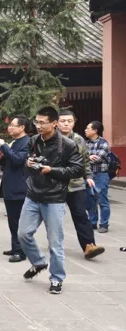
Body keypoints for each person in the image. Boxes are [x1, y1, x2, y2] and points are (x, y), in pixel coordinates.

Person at [19, 106, 84, 294]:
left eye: (42, 123)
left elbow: (77, 169)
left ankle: (57, 278)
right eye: (36, 122)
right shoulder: (34, 140)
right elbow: (28, 161)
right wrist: (29, 163)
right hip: (33, 194)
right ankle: (39, 262)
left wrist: (52, 170)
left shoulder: (68, 145)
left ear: (54, 123)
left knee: (55, 243)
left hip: (54, 198)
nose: (38, 126)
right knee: (23, 234)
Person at [57, 111, 105, 259]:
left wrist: (88, 176)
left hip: (76, 184)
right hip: (55, 184)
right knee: (53, 217)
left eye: (69, 121)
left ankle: (89, 246)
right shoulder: (49, 139)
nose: (66, 123)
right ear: (56, 123)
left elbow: (85, 160)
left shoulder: (79, 140)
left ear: (74, 122)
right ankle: (54, 244)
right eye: (63, 121)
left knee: (80, 215)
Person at [0, 115, 30, 262]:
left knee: (18, 221)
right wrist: (1, 156)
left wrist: (4, 146)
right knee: (12, 221)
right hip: (10, 186)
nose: (9, 128)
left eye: (13, 125)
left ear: (22, 127)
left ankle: (20, 251)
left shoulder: (27, 142)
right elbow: (9, 161)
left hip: (19, 187)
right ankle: (15, 246)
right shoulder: (15, 142)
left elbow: (17, 160)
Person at [85, 121, 112, 233]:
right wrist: (88, 157)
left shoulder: (103, 143)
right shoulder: (85, 143)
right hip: (89, 175)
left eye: (88, 128)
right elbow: (79, 157)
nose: (85, 130)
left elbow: (98, 159)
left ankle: (104, 224)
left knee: (102, 200)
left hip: (101, 175)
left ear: (95, 131)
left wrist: (86, 157)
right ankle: (92, 222)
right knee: (90, 200)